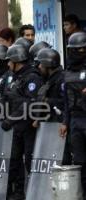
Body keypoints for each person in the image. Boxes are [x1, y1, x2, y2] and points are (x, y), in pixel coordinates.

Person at [2, 44, 43, 200]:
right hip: (18, 126)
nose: (7, 64)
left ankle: (35, 193)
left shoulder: (32, 77)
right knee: (15, 160)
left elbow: (29, 104)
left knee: (30, 160)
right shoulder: (16, 76)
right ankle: (18, 192)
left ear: (16, 61)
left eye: (9, 61)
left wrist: (10, 120)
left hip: (28, 126)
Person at [60, 32, 86, 199]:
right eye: (76, 49)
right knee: (80, 161)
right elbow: (66, 102)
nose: (80, 52)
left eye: (83, 49)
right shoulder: (67, 72)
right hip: (75, 120)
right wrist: (65, 122)